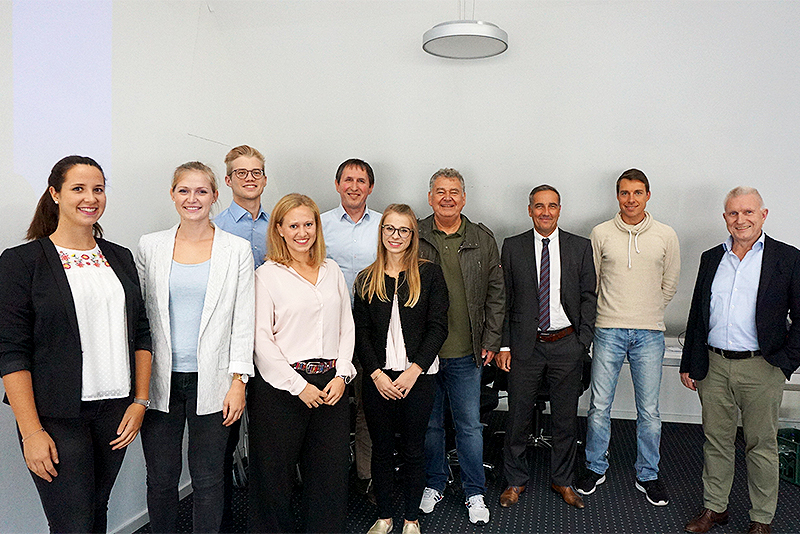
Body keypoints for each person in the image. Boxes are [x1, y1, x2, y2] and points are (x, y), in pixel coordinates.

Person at [0, 155, 152, 533]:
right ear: (54, 194)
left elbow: (142, 331)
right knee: (73, 524)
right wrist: (31, 432)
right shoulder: (22, 262)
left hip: (115, 411)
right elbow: (10, 351)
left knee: (97, 511)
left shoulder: (119, 257)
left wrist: (140, 400)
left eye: (98, 189)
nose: (90, 198)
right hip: (55, 417)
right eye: (78, 189)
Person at [136, 161, 255, 533]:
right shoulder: (149, 246)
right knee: (161, 479)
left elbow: (243, 320)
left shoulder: (236, 249)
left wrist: (239, 381)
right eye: (184, 191)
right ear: (173, 195)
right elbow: (140, 319)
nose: (193, 198)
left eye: (201, 191)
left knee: (207, 480)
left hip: (215, 381)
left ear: (215, 196)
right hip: (160, 380)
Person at [680, 187, 800, 534]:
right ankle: (715, 508)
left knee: (761, 444)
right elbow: (697, 315)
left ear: (763, 215)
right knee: (715, 440)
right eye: (733, 213)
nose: (741, 219)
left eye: (748, 212)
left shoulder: (787, 258)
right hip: (714, 366)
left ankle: (761, 518)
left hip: (762, 367)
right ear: (725, 218)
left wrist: (785, 363)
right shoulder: (711, 258)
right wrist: (690, 362)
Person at [249, 193, 356, 533]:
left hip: (331, 386)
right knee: (273, 476)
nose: (302, 232)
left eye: (308, 224)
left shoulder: (331, 269)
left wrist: (342, 375)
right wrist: (299, 386)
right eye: (293, 225)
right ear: (279, 229)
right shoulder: (266, 275)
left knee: (329, 474)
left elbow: (347, 326)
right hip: (283, 388)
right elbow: (261, 340)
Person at [577, 169, 680, 507]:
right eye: (624, 193)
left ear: (648, 195)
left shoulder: (666, 235)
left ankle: (648, 473)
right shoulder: (600, 233)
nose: (631, 199)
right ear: (617, 196)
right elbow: (592, 283)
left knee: (649, 410)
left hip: (649, 333)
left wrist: (647, 311)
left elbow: (669, 284)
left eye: (637, 193)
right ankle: (595, 466)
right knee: (599, 406)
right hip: (607, 329)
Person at [496, 185, 596, 510]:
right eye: (539, 206)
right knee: (518, 417)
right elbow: (504, 300)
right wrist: (505, 345)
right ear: (529, 210)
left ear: (559, 209)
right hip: (526, 346)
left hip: (566, 344)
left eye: (552, 206)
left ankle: (563, 480)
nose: (545, 212)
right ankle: (515, 481)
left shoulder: (579, 247)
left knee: (566, 419)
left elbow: (588, 296)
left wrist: (582, 341)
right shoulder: (512, 246)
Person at [354, 204, 449, 534]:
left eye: (403, 230)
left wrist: (413, 371)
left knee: (412, 449)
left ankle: (411, 518)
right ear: (381, 233)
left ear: (413, 235)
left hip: (418, 378)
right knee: (380, 451)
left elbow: (438, 327)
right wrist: (377, 374)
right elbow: (361, 332)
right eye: (389, 229)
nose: (396, 236)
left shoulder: (430, 274)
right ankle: (384, 517)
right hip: (378, 379)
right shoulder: (367, 278)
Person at [418, 168, 505, 525]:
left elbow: (496, 294)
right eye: (440, 192)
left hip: (467, 352)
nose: (447, 198)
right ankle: (435, 483)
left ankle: (474, 491)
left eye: (454, 192)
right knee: (431, 426)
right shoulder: (416, 234)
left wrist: (491, 340)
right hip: (424, 354)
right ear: (430, 197)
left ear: (464, 198)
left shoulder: (482, 238)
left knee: (469, 426)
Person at [213, 144, 269, 530]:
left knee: (268, 433)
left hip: (271, 341)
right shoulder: (214, 227)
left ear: (264, 178)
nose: (250, 178)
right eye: (241, 172)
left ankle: (265, 518)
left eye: (256, 172)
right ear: (229, 180)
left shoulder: (281, 224)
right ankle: (223, 520)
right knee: (223, 438)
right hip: (228, 342)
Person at [321, 158, 382, 498]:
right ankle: (329, 478)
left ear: (370, 187)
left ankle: (366, 475)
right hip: (329, 329)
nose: (354, 186)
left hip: (371, 326)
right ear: (337, 184)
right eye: (348, 179)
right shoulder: (320, 224)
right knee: (331, 405)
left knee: (367, 407)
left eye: (361, 180)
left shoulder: (383, 224)